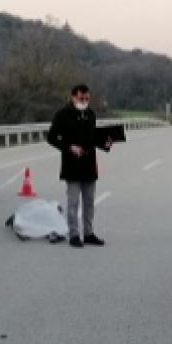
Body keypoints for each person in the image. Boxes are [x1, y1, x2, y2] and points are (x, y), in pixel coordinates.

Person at [48, 84, 112, 248]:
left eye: (87, 99)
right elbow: (51, 137)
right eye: (81, 98)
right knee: (73, 202)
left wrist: (106, 142)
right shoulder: (62, 114)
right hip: (71, 164)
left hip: (89, 163)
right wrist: (69, 147)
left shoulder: (91, 114)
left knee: (90, 202)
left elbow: (92, 136)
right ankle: (74, 234)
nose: (84, 101)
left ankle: (89, 233)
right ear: (72, 97)